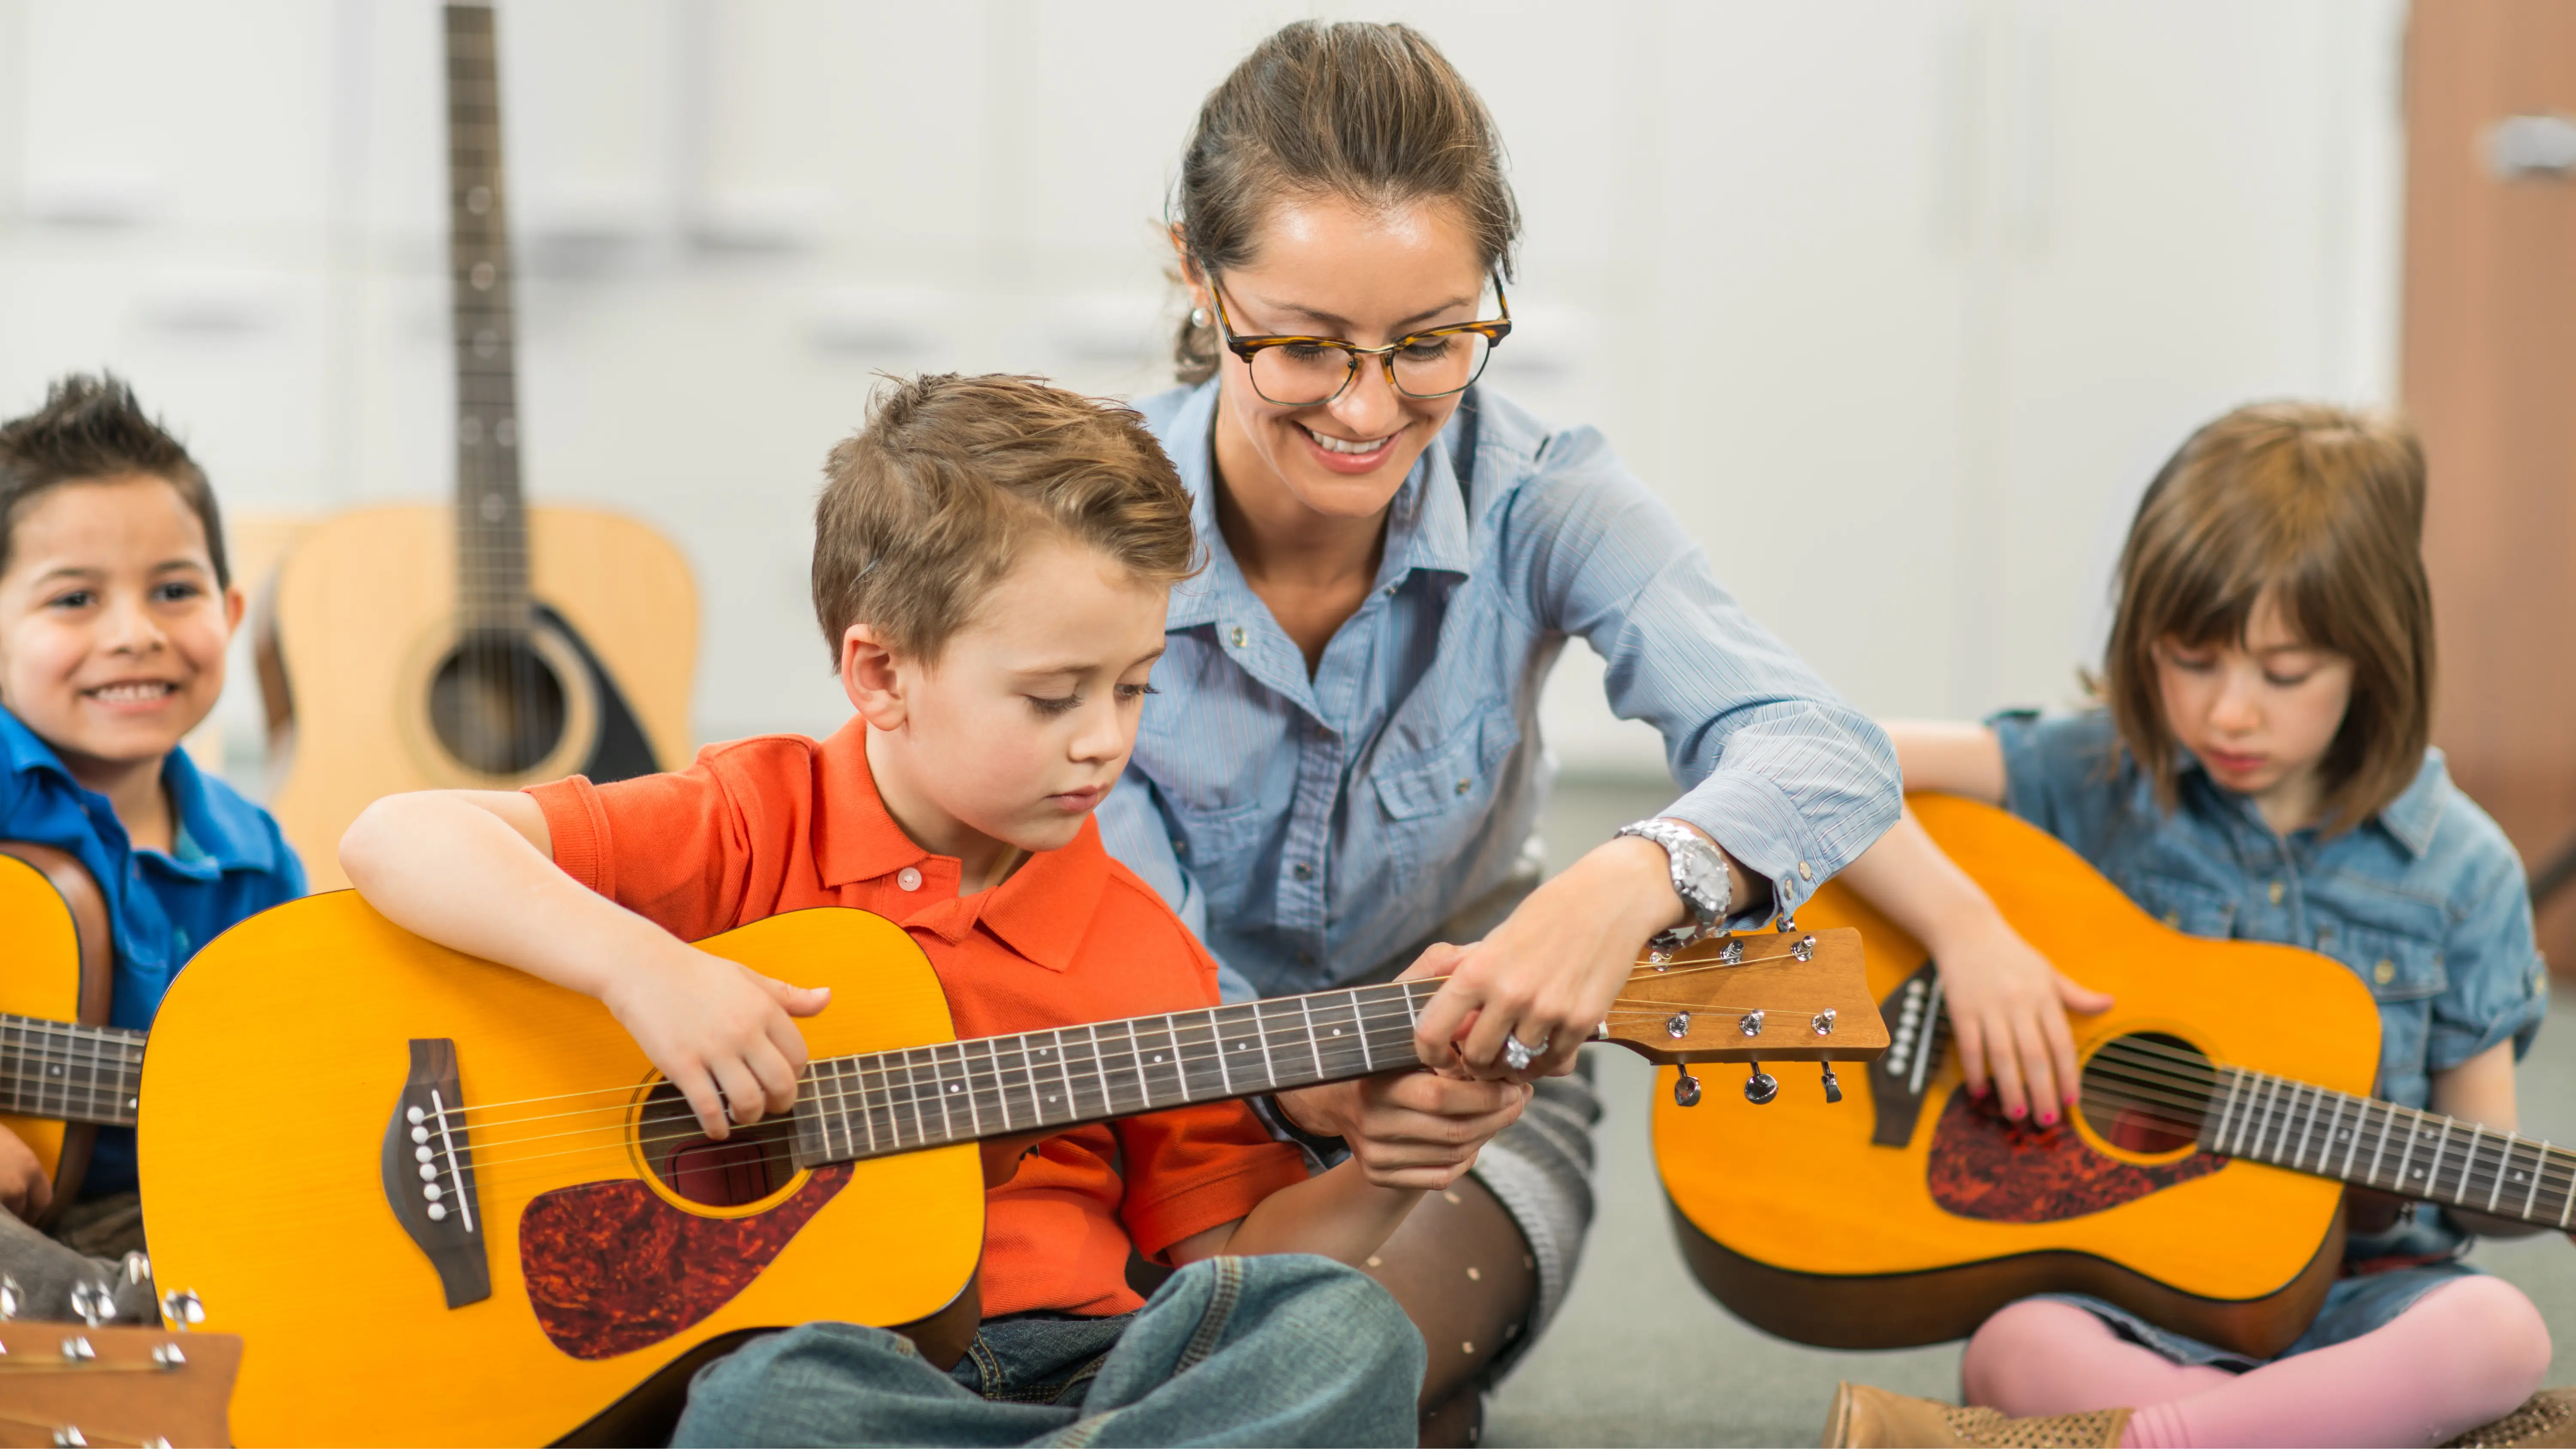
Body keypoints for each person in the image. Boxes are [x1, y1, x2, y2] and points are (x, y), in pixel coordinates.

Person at [340, 374, 1497, 1447]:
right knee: (758, 1407)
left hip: (1084, 1363)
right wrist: (641, 967)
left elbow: (1231, 1264)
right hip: (843, 1363)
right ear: (882, 674)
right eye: (1053, 695)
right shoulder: (753, 815)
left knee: (1344, 1332)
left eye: (1135, 684)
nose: (1105, 737)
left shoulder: (1140, 944)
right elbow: (397, 836)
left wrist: (1386, 1171)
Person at [1092, 21, 1903, 1440]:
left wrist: (1629, 876)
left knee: (1329, 1362)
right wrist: (1309, 1070)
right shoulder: (1078, 524)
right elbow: (1070, 911)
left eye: (1431, 341)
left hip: (1469, 1116)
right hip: (1138, 1107)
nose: (1366, 408)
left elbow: (1824, 746)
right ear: (1193, 271)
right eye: (1302, 344)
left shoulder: (1545, 494)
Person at [1823, 402, 2573, 1448]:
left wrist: (2470, 1185)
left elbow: (2482, 1180)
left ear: (2376, 656)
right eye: (2192, 659)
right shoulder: (2097, 779)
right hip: (2137, 1298)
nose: (2229, 713)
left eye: (2284, 674)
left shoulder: (2464, 871)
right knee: (2013, 1345)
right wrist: (1967, 935)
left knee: (2500, 1336)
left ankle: (2161, 1441)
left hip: (2361, 1309)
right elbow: (1822, 765)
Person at [0, 373, 306, 1321]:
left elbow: (285, 1076)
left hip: (166, 1213)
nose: (135, 635)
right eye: (75, 600)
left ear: (233, 614)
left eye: (175, 591)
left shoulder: (254, 856)